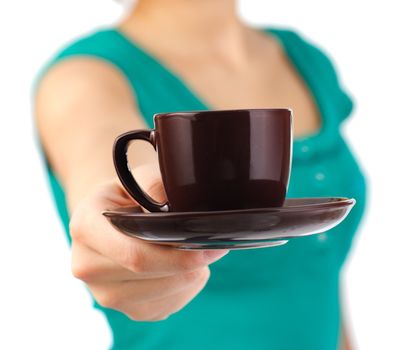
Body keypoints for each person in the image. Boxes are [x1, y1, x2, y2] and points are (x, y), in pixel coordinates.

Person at [34, 0, 366, 349]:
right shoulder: (81, 77)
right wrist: (112, 215)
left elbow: (319, 277)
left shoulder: (304, 58)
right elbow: (94, 146)